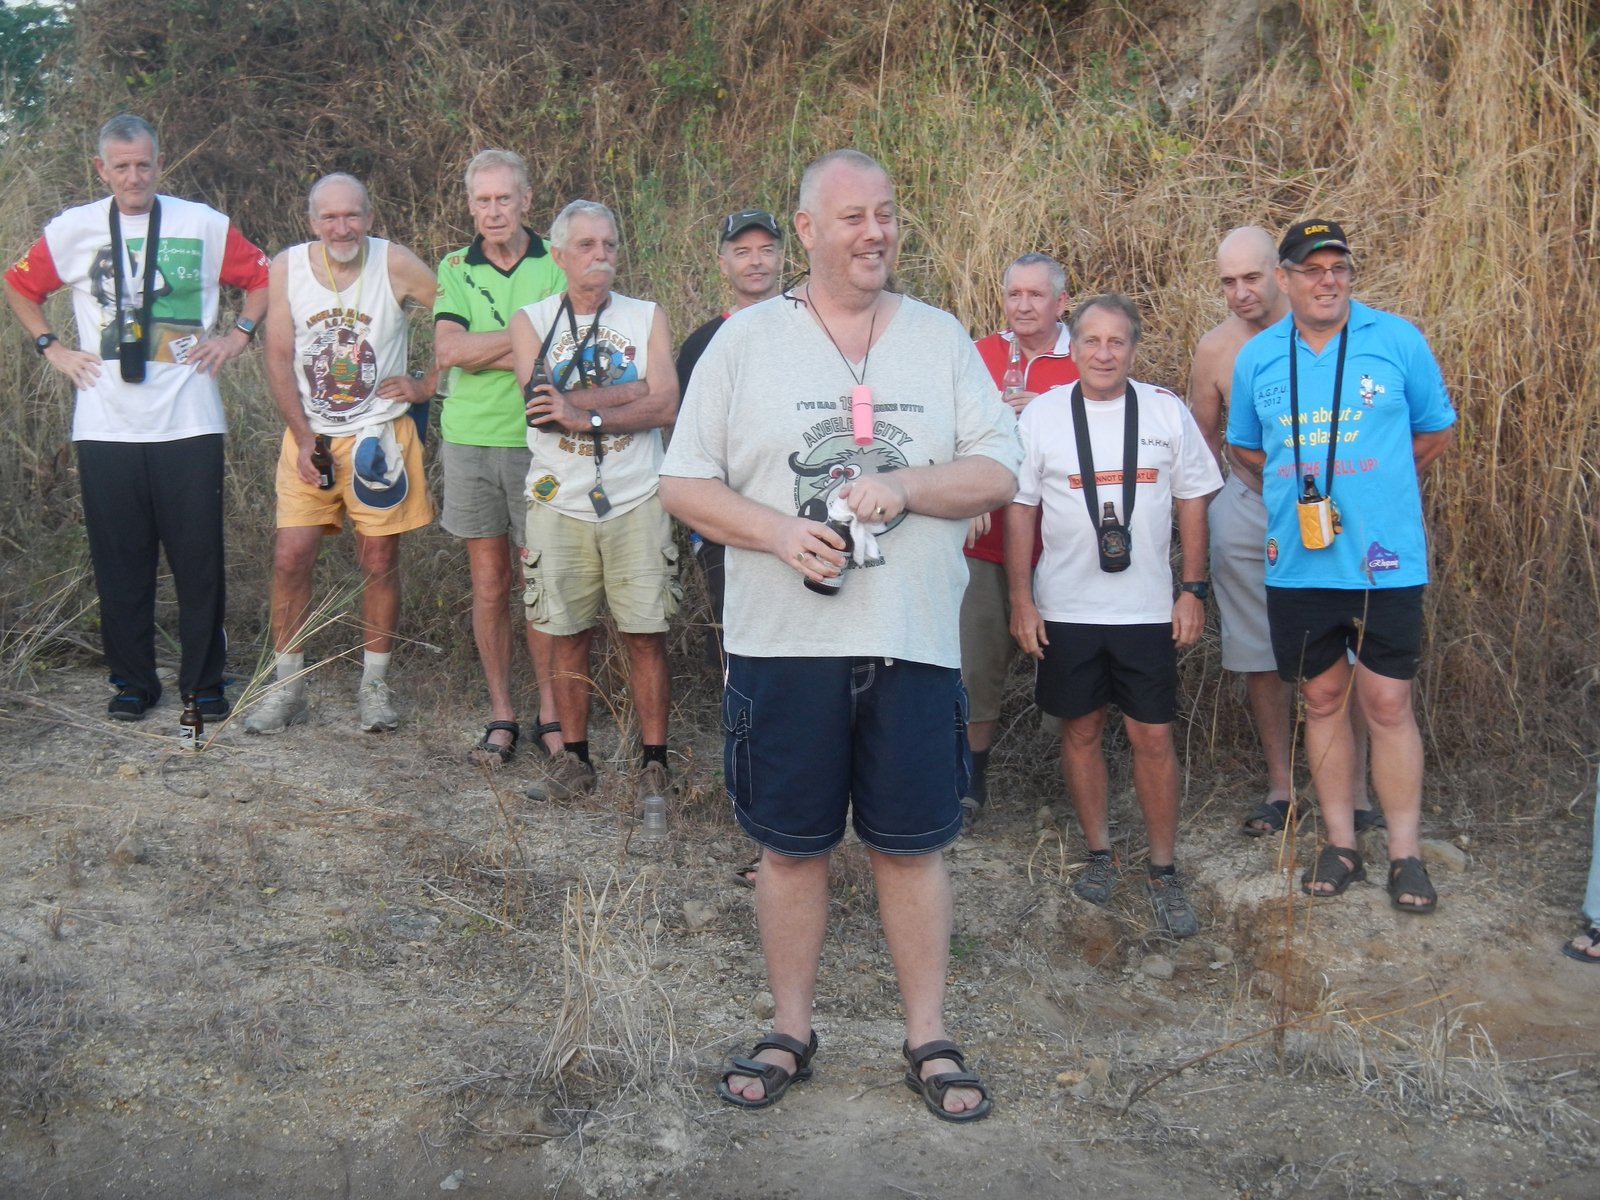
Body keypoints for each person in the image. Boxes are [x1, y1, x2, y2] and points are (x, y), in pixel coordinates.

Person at [660, 149, 1018, 1121]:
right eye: (853, 216)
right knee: (791, 850)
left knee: (912, 849)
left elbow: (999, 469)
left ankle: (928, 1038)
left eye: (886, 213)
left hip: (912, 642)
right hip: (782, 645)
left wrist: (904, 485)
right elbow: (682, 482)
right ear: (808, 231)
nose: (876, 232)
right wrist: (777, 532)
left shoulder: (939, 337)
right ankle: (790, 1030)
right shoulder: (743, 343)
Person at [3, 114, 269, 721]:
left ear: (160, 163)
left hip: (189, 421)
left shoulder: (200, 223)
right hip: (106, 424)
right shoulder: (73, 228)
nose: (133, 177)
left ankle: (204, 683)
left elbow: (262, 277)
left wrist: (237, 337)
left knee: (199, 562)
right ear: (101, 169)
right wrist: (52, 347)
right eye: (121, 167)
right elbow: (19, 286)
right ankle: (132, 682)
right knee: (120, 563)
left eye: (144, 164)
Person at [1227, 218, 1455, 914]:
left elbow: (1435, 431)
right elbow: (1244, 448)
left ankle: (1407, 854)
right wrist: (1299, 488)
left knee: (1387, 704)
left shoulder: (1397, 339)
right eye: (1313, 269)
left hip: (1385, 563)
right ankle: (1340, 843)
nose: (1328, 281)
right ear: (1285, 280)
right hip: (1299, 564)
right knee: (1322, 700)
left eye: (1339, 268)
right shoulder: (1259, 357)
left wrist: (1378, 480)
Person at [1006, 294, 1221, 939]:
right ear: (1072, 347)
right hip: (1066, 608)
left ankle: (1163, 868)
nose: (1104, 353)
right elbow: (1020, 509)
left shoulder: (1164, 410)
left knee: (1152, 736)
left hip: (1147, 609)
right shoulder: (1042, 415)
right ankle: (1100, 853)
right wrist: (1021, 599)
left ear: (1133, 348)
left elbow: (1193, 499)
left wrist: (1192, 590)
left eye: (1117, 341)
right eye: (1092, 341)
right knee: (1081, 730)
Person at [1189, 226, 1384, 837]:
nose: (1240, 293)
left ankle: (1355, 791)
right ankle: (1282, 788)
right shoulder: (1217, 349)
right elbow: (1201, 443)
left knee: (1346, 647)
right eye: (1227, 282)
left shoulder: (1336, 334)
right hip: (1252, 507)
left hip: (1336, 509)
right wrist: (1217, 513)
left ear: (1280, 272)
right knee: (1260, 652)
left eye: (1251, 277)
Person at [245, 174, 439, 735]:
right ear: (312, 222)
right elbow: (278, 356)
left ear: (370, 216)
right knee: (290, 557)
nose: (341, 227)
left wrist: (427, 383)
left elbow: (459, 316)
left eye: (352, 215)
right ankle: (287, 689)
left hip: (379, 435)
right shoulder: (287, 267)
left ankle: (374, 687)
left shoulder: (395, 262)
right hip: (311, 437)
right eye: (329, 217)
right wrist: (303, 437)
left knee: (378, 561)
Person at [509, 200, 679, 811]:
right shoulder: (530, 321)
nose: (600, 255)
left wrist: (584, 412)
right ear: (558, 254)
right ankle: (574, 762)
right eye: (586, 245)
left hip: (637, 496)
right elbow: (541, 408)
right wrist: (634, 390)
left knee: (646, 634)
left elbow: (668, 404)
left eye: (609, 244)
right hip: (559, 501)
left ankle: (654, 764)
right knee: (565, 634)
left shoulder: (646, 315)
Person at [434, 150, 567, 766]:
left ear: (526, 200)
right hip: (469, 439)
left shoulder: (557, 261)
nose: (493, 211)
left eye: (504, 199)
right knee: (489, 583)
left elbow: (563, 352)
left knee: (539, 580)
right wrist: (523, 340)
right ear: (470, 206)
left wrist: (485, 347)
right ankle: (502, 714)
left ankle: (551, 714)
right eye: (482, 200)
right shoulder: (454, 266)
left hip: (538, 441)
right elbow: (449, 351)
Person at [960, 252, 1077, 830]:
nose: (1024, 306)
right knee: (975, 665)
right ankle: (969, 778)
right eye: (1014, 295)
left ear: (1061, 302)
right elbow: (948, 432)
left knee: (1070, 668)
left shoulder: (1086, 357)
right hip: (984, 542)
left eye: (1037, 295)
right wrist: (962, 497)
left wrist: (1052, 414)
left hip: (1062, 545)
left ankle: (1068, 780)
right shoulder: (978, 354)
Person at [675, 207, 785, 675]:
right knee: (738, 639)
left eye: (765, 250)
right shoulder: (701, 345)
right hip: (731, 521)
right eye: (742, 252)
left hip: (806, 508)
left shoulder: (816, 326)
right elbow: (691, 445)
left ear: (782, 257)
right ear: (723, 264)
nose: (755, 261)